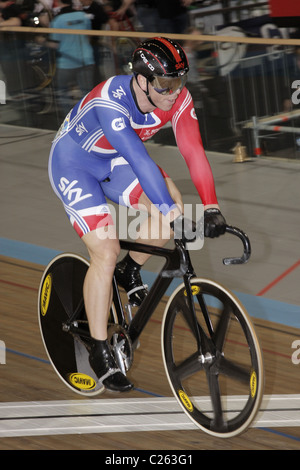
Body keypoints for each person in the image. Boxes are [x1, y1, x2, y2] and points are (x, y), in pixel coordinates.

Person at [48, 37, 226, 393]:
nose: (174, 92)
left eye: (180, 81)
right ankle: (99, 350)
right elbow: (140, 161)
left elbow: (193, 152)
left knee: (172, 199)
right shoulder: (110, 100)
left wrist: (211, 206)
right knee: (105, 251)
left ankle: (132, 269)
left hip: (113, 160)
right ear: (142, 79)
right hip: (73, 164)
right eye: (165, 85)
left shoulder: (177, 98)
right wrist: (172, 214)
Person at [48, 0, 95, 116]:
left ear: (59, 3)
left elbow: (55, 44)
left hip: (67, 62)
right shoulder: (83, 16)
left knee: (63, 91)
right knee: (87, 93)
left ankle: (68, 121)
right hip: (87, 59)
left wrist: (41, 41)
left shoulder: (58, 20)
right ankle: (89, 119)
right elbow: (89, 36)